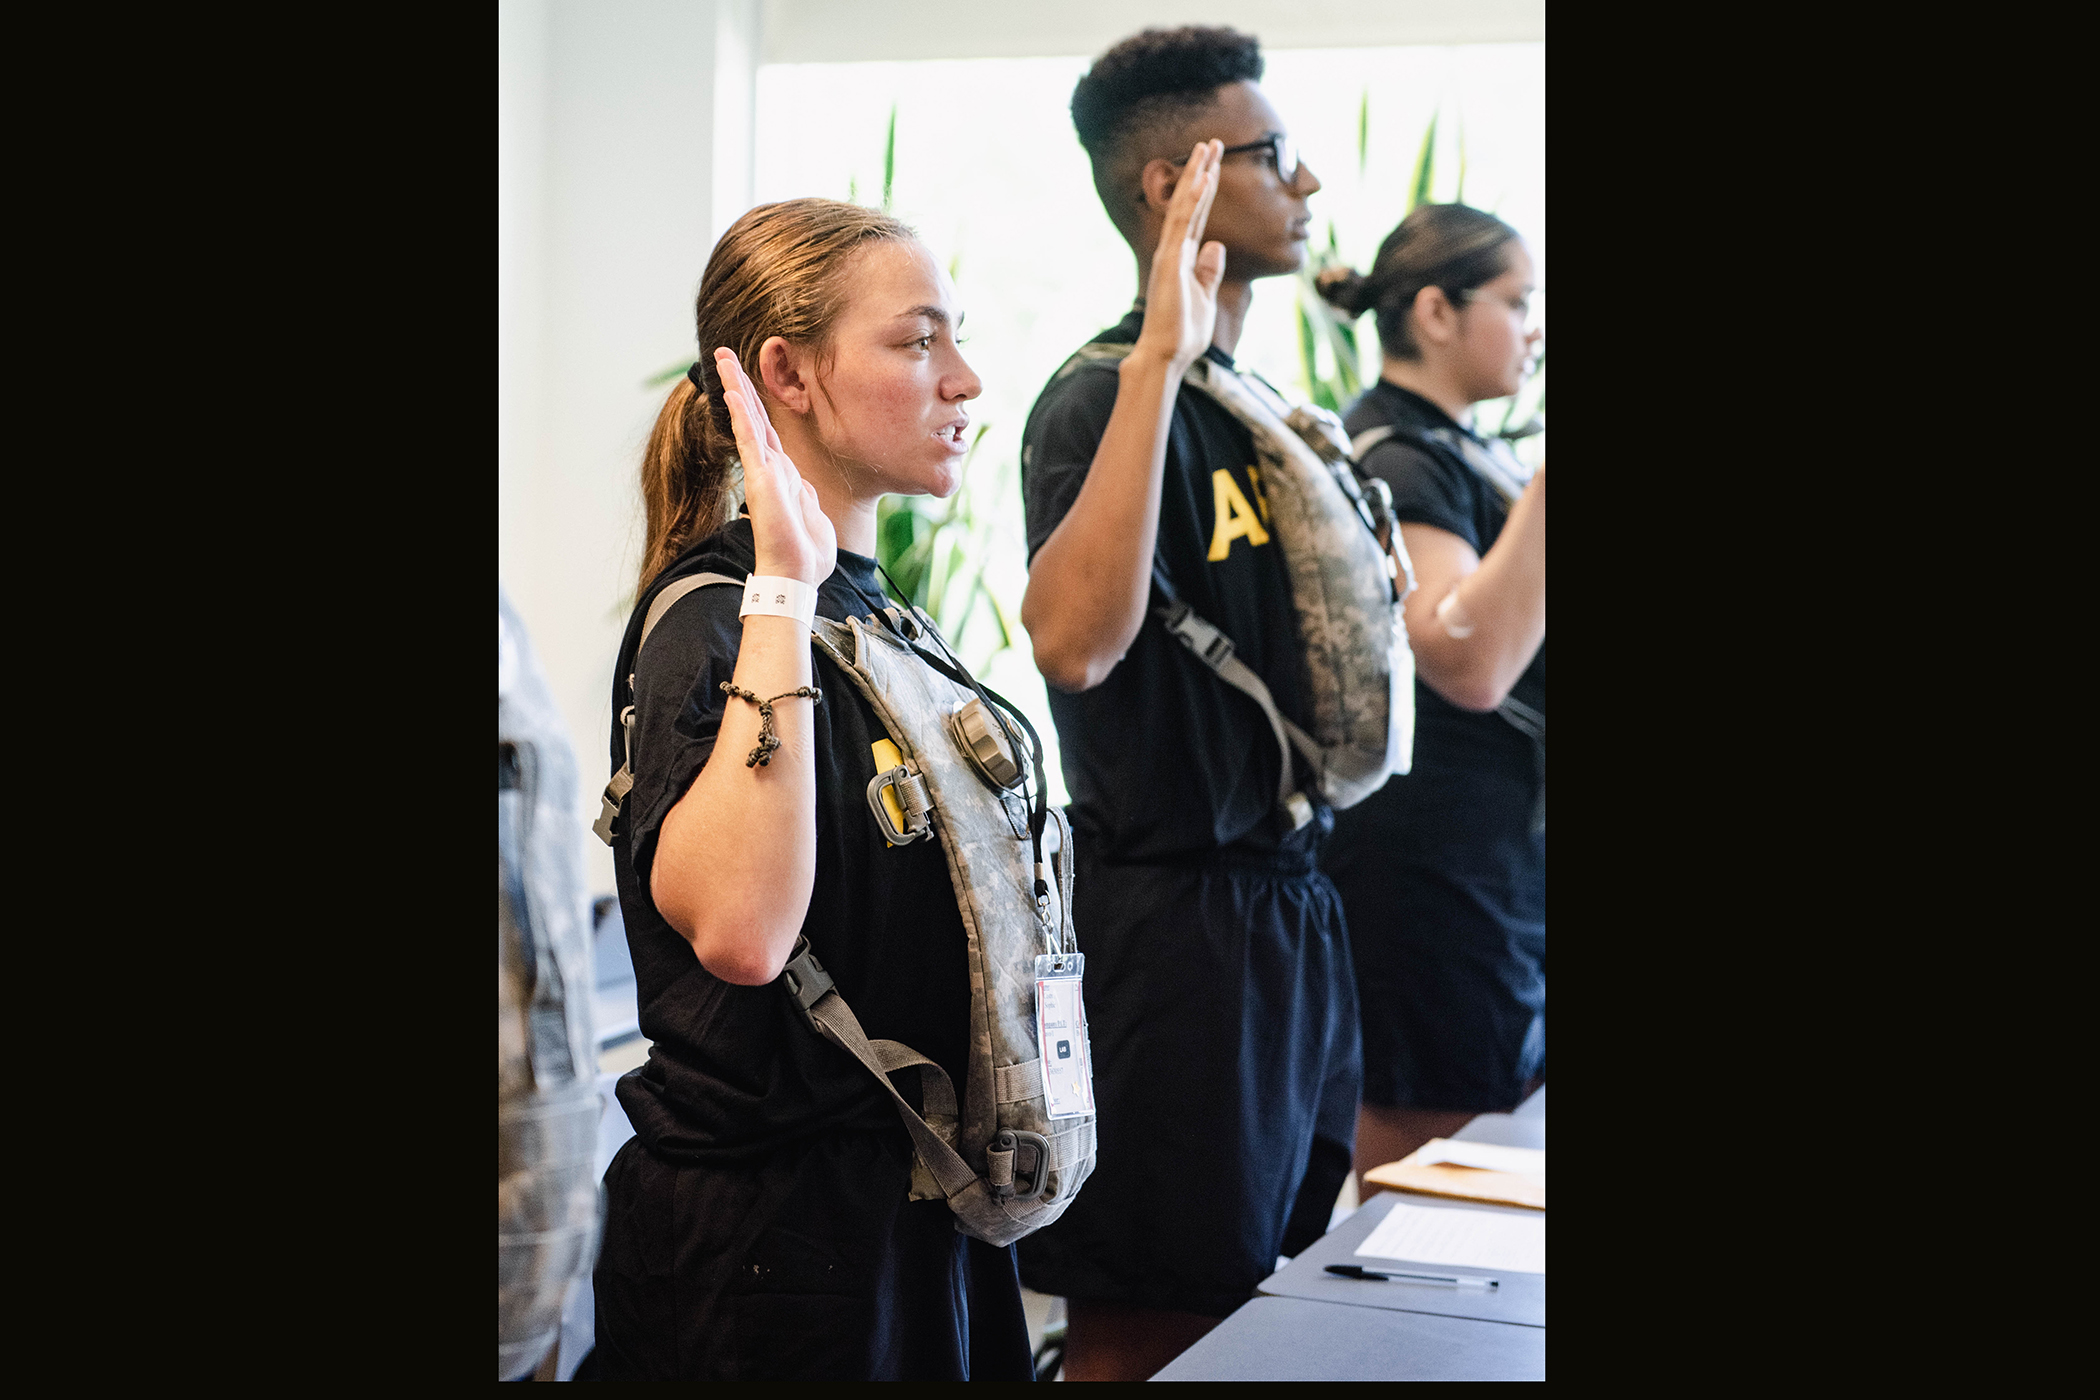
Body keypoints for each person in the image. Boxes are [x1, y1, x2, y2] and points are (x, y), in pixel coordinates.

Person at [588, 198, 1034, 1381]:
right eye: (917, 341)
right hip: (769, 1256)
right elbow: (742, 932)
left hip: (906, 1210)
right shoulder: (720, 615)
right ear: (785, 371)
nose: (965, 381)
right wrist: (783, 586)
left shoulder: (881, 613)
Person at [1014, 27, 1360, 1381]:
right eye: (1275, 157)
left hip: (1290, 906)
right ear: (1178, 186)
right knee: (1154, 1324)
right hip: (1175, 928)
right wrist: (1162, 353)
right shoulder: (1102, 396)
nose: (1309, 179)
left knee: (1266, 1298)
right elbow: (1072, 647)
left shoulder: (1261, 406)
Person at [1313, 203, 1547, 1187]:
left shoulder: (1463, 448)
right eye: (1519, 301)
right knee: (1437, 1182)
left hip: (1489, 863)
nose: (1536, 328)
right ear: (1436, 313)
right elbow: (1470, 659)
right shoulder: (1397, 457)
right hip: (1434, 877)